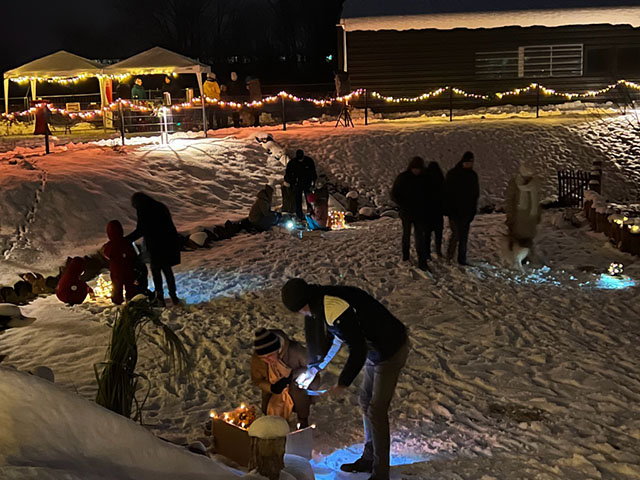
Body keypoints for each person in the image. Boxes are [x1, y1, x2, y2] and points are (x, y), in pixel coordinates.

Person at [281, 278, 409, 480]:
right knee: (365, 401)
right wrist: (316, 368)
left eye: (300, 310)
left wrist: (343, 383)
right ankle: (368, 458)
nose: (302, 314)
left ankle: (380, 471)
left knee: (376, 408)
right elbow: (337, 338)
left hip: (390, 350)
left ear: (304, 302)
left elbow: (358, 349)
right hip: (374, 350)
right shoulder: (322, 303)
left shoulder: (333, 306)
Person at [250, 328, 317, 428]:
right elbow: (257, 380)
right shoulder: (257, 359)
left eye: (270, 356)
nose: (267, 360)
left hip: (298, 382)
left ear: (277, 349)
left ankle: (303, 419)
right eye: (263, 358)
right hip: (274, 386)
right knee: (268, 408)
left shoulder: (295, 351)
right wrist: (271, 388)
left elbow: (313, 367)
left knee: (298, 392)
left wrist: (291, 376)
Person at [125, 192, 181, 307]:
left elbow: (141, 229)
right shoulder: (159, 206)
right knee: (167, 269)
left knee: (156, 270)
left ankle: (159, 297)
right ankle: (173, 295)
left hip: (155, 244)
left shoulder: (143, 209)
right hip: (167, 241)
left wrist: (126, 239)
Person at [390, 157, 429, 270]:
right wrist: (403, 204)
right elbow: (394, 194)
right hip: (407, 211)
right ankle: (406, 256)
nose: (416, 171)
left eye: (418, 169)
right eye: (415, 169)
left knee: (419, 236)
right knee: (406, 235)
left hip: (419, 212)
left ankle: (422, 260)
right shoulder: (403, 178)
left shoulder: (424, 179)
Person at [443, 151, 479, 266]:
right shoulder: (454, 174)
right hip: (455, 210)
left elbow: (475, 194)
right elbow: (447, 193)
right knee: (457, 234)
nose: (469, 164)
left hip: (466, 211)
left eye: (471, 162)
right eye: (468, 162)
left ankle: (461, 259)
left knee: (463, 236)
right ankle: (450, 255)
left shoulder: (471, 175)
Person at [505, 163, 542, 252]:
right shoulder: (515, 183)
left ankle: (527, 257)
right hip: (519, 217)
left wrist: (538, 215)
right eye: (526, 177)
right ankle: (516, 259)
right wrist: (510, 215)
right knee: (518, 241)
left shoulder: (535, 184)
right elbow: (510, 201)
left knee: (528, 241)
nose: (527, 180)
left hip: (530, 218)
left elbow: (537, 201)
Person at [103, 220, 137, 305]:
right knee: (129, 284)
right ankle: (130, 299)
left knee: (117, 286)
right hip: (128, 267)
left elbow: (107, 254)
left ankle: (117, 300)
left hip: (116, 270)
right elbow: (132, 253)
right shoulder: (126, 242)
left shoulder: (110, 245)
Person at [284, 149, 317, 221]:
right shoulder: (292, 163)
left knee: (309, 200)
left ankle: (311, 214)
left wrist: (313, 182)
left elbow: (313, 172)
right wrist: (292, 182)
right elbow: (288, 174)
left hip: (307, 184)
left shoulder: (309, 161)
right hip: (297, 185)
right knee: (298, 201)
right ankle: (299, 215)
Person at [424, 161, 445, 259]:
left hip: (428, 211)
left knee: (427, 234)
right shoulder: (440, 180)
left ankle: (427, 252)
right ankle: (438, 250)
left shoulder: (425, 180)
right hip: (438, 211)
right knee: (438, 233)